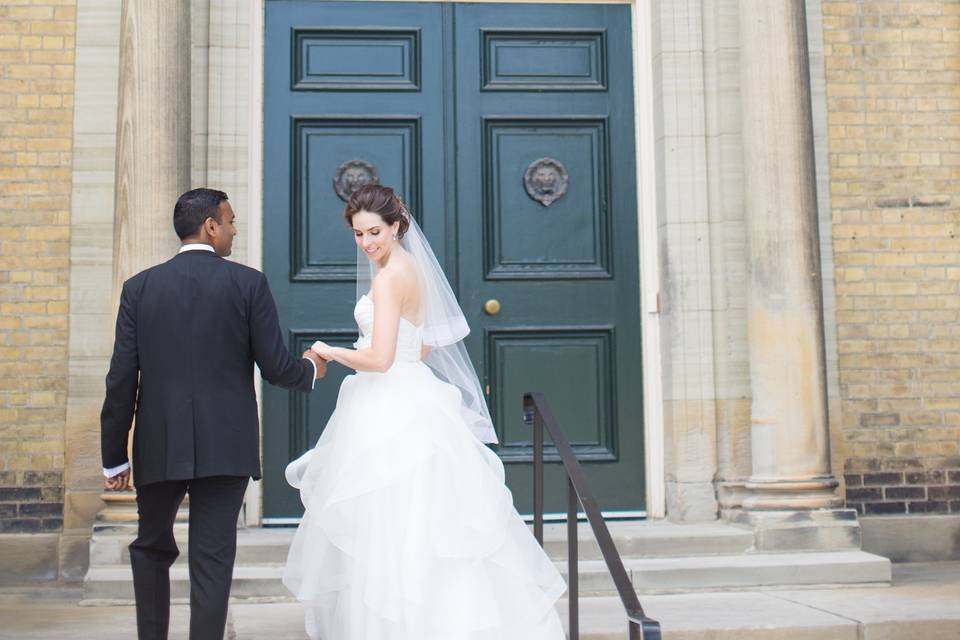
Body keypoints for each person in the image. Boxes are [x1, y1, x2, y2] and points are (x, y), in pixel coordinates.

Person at [283, 184, 566, 639]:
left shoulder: (388, 277)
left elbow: (379, 360)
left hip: (390, 402)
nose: (367, 242)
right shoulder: (410, 269)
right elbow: (424, 344)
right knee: (425, 521)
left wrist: (329, 351)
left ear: (396, 227)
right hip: (413, 396)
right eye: (358, 234)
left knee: (395, 523)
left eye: (374, 231)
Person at [100, 188, 327, 640]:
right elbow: (277, 367)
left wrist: (114, 458)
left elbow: (121, 380)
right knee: (213, 557)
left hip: (159, 443)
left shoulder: (139, 288)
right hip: (228, 444)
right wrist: (312, 368)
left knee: (150, 547)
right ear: (210, 226)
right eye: (230, 221)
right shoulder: (247, 283)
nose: (234, 230)